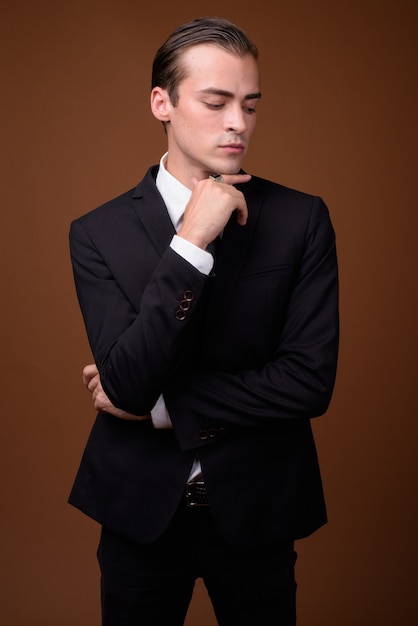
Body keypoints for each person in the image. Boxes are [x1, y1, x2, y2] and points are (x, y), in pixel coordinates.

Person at [69, 16, 339, 626]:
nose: (238, 122)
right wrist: (191, 239)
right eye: (215, 102)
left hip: (258, 508)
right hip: (138, 510)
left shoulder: (301, 220)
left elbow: (308, 382)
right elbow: (128, 381)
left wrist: (165, 408)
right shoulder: (96, 232)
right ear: (162, 103)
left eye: (249, 104)